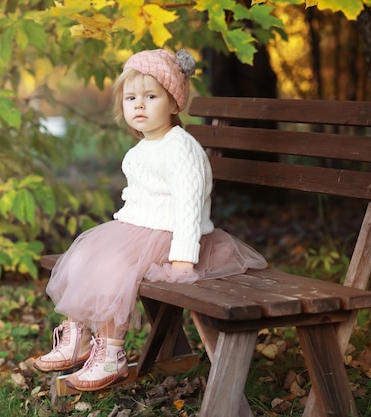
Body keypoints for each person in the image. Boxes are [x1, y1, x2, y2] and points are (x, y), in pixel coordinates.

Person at [33, 49, 267, 392]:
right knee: (85, 254)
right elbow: (137, 200)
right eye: (131, 98)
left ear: (173, 104)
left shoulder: (180, 148)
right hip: (138, 230)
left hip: (172, 237)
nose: (138, 105)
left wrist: (184, 258)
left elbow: (188, 207)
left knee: (113, 264)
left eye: (150, 96)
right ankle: (77, 336)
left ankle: (111, 351)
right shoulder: (140, 149)